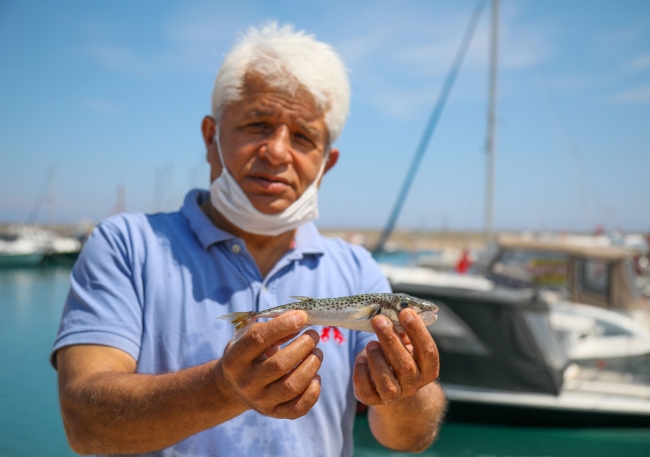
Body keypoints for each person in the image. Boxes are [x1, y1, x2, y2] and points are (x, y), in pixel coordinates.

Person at [52, 23, 445, 457]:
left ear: (326, 163)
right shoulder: (126, 245)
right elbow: (85, 424)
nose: (277, 152)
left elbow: (407, 438)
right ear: (210, 137)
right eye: (258, 124)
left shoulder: (357, 268)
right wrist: (223, 389)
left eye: (302, 136)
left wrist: (407, 391)